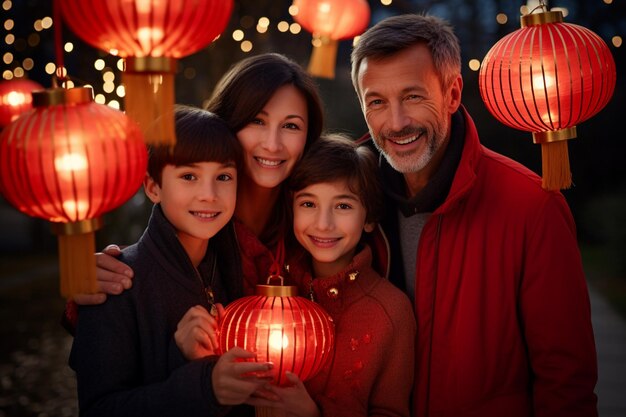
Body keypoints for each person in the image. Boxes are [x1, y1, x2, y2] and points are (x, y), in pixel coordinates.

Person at [350, 14, 597, 417]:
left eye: (413, 96)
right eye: (376, 102)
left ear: (451, 94)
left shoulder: (531, 206)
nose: (396, 123)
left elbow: (566, 381)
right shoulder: (349, 202)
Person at [179, 134, 416, 417]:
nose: (323, 224)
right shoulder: (272, 286)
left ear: (369, 218)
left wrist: (314, 414)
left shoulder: (391, 311)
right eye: (308, 204)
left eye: (343, 206)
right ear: (291, 209)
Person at [65, 52, 324, 307]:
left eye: (291, 126)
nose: (272, 144)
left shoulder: (317, 218)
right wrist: (109, 282)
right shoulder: (198, 217)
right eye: (257, 121)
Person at [70, 106, 272, 417]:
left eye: (223, 176)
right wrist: (204, 386)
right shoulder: (115, 282)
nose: (209, 194)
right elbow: (100, 408)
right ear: (153, 186)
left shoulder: (236, 269)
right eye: (189, 176)